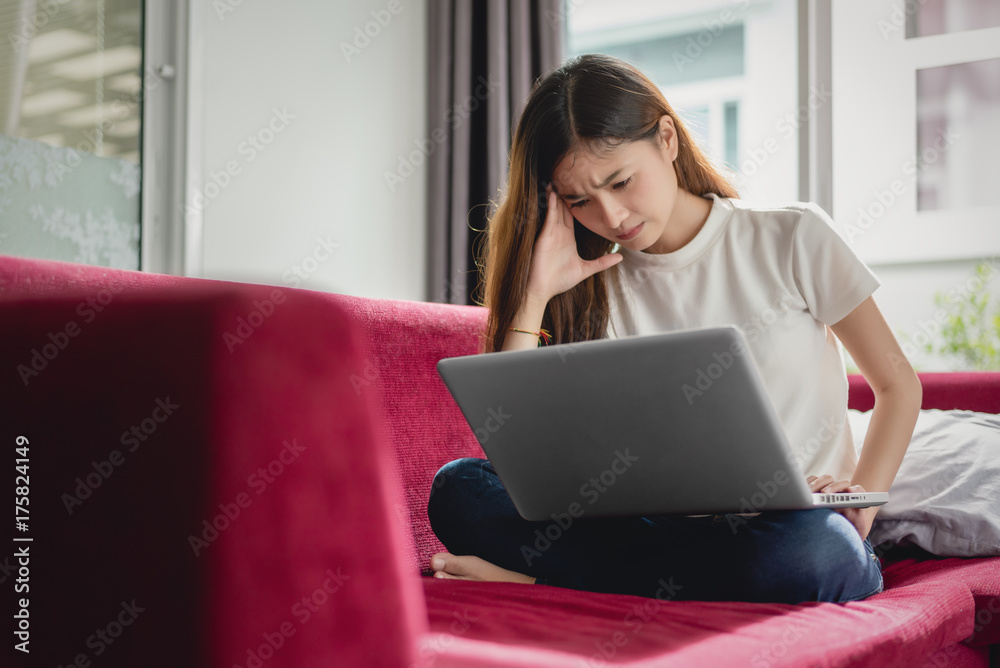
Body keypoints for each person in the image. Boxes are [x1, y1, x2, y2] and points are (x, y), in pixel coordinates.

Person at [426, 54, 923, 604]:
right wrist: (535, 295)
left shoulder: (792, 237)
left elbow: (899, 385)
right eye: (580, 200)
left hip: (790, 529)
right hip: (658, 531)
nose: (612, 216)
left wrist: (861, 505)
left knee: (808, 552)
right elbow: (516, 453)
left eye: (620, 182)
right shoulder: (590, 286)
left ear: (666, 138)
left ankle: (550, 584)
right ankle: (650, 587)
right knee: (460, 489)